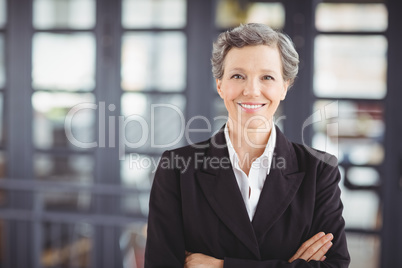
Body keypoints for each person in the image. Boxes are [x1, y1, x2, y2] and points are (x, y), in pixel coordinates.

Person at [145, 23, 350, 268]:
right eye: (238, 76)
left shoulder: (320, 171)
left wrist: (222, 266)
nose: (252, 91)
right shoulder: (177, 169)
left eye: (267, 77)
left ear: (284, 87)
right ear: (220, 85)